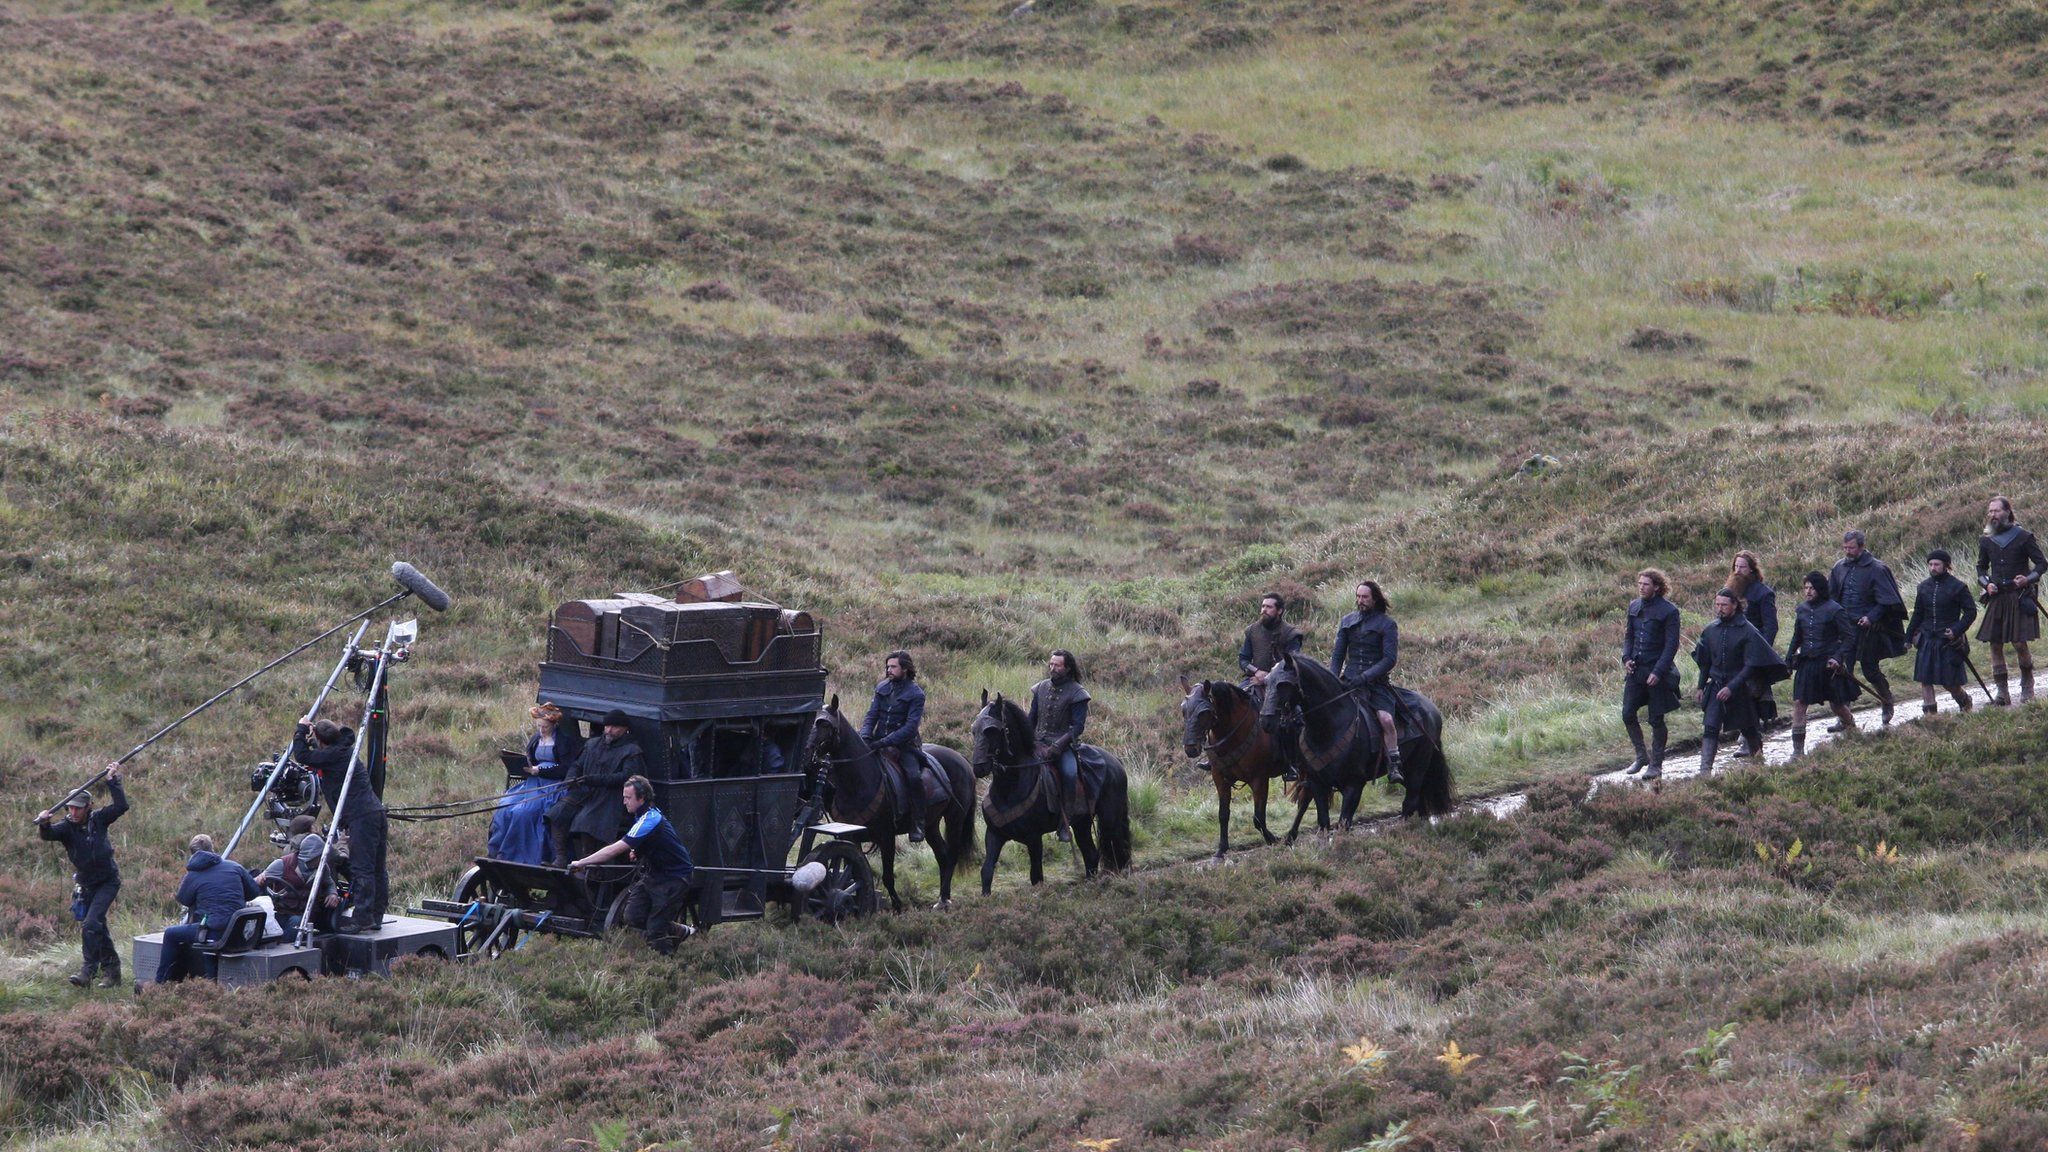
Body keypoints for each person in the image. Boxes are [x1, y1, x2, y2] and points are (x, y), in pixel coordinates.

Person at [571, 775, 694, 955]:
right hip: (654, 875)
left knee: (655, 931)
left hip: (673, 879)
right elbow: (650, 842)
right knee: (632, 916)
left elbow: (615, 849)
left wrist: (583, 862)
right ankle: (679, 930)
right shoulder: (641, 816)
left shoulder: (650, 819)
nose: (624, 802)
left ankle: (665, 969)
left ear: (642, 798)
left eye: (628, 798)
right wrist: (638, 851)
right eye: (624, 797)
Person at [35, 764, 129, 988]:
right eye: (70, 808)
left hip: (108, 881)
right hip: (86, 885)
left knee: (91, 924)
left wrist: (112, 781)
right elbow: (47, 835)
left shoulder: (99, 819)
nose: (73, 813)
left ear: (89, 807)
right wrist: (44, 822)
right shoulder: (65, 827)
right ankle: (112, 972)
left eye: (78, 808)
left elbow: (121, 806)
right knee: (96, 926)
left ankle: (88, 971)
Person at [294, 715, 387, 933]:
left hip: (361, 816)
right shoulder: (342, 748)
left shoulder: (333, 755)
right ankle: (375, 915)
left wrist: (300, 731)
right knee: (378, 869)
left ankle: (362, 918)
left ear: (321, 740)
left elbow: (303, 755)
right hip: (374, 813)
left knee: (362, 867)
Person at [1691, 588, 1789, 775]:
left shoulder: (1748, 630)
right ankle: (1705, 773)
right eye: (1717, 604)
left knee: (1749, 729)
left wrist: (1732, 687)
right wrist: (1701, 686)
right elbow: (1705, 662)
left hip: (1741, 688)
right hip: (1716, 685)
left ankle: (1760, 766)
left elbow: (1751, 664)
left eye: (1724, 605)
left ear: (1735, 605)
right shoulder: (1710, 630)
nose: (1720, 609)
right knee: (1710, 728)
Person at [547, 710, 646, 869]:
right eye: (607, 726)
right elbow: (577, 765)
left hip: (612, 798)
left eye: (614, 727)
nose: (609, 730)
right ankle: (561, 858)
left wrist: (596, 780)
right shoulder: (592, 744)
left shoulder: (632, 750)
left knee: (587, 820)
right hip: (585, 793)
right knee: (557, 813)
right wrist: (571, 778)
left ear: (624, 729)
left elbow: (627, 777)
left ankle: (587, 867)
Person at [156, 833, 258, 983]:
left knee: (171, 933)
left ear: (192, 853)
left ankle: (160, 983)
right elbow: (253, 892)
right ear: (212, 848)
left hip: (217, 933)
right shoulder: (235, 867)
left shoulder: (193, 875)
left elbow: (184, 900)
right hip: (240, 932)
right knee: (207, 930)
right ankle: (210, 984)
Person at [489, 703, 584, 864]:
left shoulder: (564, 742)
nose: (541, 730)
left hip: (552, 785)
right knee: (505, 807)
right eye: (539, 726)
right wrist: (523, 765)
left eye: (545, 727)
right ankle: (499, 851)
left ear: (554, 724)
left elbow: (566, 768)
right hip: (532, 782)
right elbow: (531, 760)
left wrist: (541, 771)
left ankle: (519, 856)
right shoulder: (536, 739)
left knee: (523, 813)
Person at [1975, 496, 2047, 705]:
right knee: (1995, 644)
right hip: (1997, 596)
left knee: (2019, 643)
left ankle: (2027, 686)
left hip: (2019, 596)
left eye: (1997, 511)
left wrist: (2028, 579)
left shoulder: (2023, 536)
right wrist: (1986, 584)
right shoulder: (1986, 539)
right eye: (1990, 511)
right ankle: (2002, 694)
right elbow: (1981, 567)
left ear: (2008, 511)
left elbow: (2042, 564)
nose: (1993, 515)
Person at [1828, 530, 1905, 726]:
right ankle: (1844, 717)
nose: (1848, 551)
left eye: (1851, 548)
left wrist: (1871, 617)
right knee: (1843, 669)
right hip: (1846, 628)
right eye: (1845, 548)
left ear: (1862, 547)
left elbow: (1887, 600)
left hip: (1869, 629)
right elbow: (1833, 597)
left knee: (1870, 670)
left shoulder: (1877, 569)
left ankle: (1886, 700)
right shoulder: (1838, 567)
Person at [1331, 580, 1404, 784]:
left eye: (1365, 597)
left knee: (1386, 720)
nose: (1360, 601)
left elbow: (1389, 659)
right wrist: (1332, 679)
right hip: (1349, 682)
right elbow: (1337, 656)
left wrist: (1365, 677)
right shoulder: (1347, 621)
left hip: (1376, 685)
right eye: (1358, 597)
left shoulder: (1387, 624)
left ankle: (1394, 762)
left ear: (1374, 599)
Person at [1784, 571, 1861, 756]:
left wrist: (1837, 658)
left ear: (1820, 589)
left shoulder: (1835, 609)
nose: (1808, 591)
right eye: (1806, 588)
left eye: (1812, 588)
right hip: (1807, 664)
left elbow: (1848, 638)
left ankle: (1853, 731)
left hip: (1829, 665)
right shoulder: (1801, 610)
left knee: (1836, 705)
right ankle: (1797, 752)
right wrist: (1788, 657)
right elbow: (1797, 637)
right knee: (1800, 704)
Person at [859, 651, 928, 843]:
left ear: (905, 669)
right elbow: (871, 716)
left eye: (893, 667)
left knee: (914, 777)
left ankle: (918, 822)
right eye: (887, 667)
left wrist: (884, 742)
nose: (889, 670)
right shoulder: (881, 688)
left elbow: (910, 728)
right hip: (878, 740)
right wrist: (865, 735)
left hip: (905, 746)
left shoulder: (916, 694)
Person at [1622, 569, 1682, 778]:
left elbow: (1671, 645)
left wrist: (1658, 671)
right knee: (1627, 713)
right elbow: (1629, 636)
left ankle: (1656, 764)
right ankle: (1641, 756)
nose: (1641, 587)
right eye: (1639, 583)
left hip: (1658, 673)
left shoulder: (1669, 611)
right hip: (1636, 670)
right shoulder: (1634, 606)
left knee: (1656, 719)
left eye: (1646, 584)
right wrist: (1626, 658)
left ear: (1657, 586)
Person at [1028, 650, 1090, 843]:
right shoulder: (1040, 688)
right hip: (1038, 743)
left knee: (1070, 774)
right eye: (1051, 664)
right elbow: (1031, 719)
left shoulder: (1077, 693)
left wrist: (1057, 746)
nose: (1052, 668)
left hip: (1063, 747)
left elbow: (1078, 727)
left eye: (1057, 665)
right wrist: (1028, 741)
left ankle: (1065, 823)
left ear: (1067, 668)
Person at [1908, 549, 1979, 715]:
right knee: (1925, 680)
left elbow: (1971, 612)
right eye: (1930, 564)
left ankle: (1964, 700)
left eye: (1937, 564)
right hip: (1927, 638)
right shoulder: (1923, 587)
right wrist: (1908, 636)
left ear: (1946, 566)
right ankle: (1931, 717)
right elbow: (1918, 614)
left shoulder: (1958, 587)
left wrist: (1956, 630)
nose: (1933, 567)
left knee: (1950, 683)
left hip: (1948, 640)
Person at [1727, 550, 1779, 749]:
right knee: (1738, 693)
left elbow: (1770, 626)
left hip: (1754, 651)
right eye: (1736, 567)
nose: (1738, 571)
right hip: (1734, 652)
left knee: (1753, 694)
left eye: (1742, 567)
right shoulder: (1731, 592)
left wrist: (1762, 652)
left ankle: (1750, 740)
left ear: (1751, 569)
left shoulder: (1763, 593)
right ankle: (1747, 736)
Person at [258, 815, 331, 935]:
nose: (322, 859)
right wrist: (261, 878)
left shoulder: (322, 867)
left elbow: (329, 883)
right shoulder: (282, 864)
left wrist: (332, 893)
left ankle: (282, 945)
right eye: (319, 856)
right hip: (281, 910)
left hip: (304, 913)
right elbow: (257, 881)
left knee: (296, 923)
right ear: (310, 855)